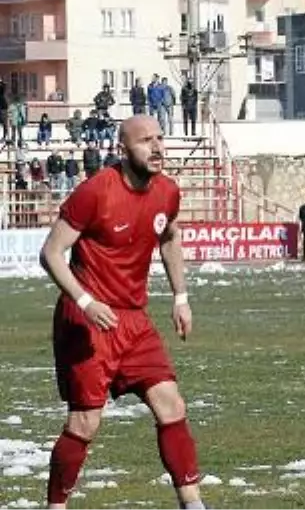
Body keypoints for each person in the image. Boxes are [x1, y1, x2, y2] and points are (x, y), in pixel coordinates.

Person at [38, 115, 210, 510]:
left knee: (172, 404)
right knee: (85, 422)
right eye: (145, 141)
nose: (157, 147)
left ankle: (193, 503)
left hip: (134, 320)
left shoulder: (167, 191)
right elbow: (50, 253)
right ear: (122, 149)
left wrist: (180, 296)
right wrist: (85, 301)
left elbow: (169, 237)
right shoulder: (95, 191)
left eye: (160, 138)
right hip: (88, 321)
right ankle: (55, 507)